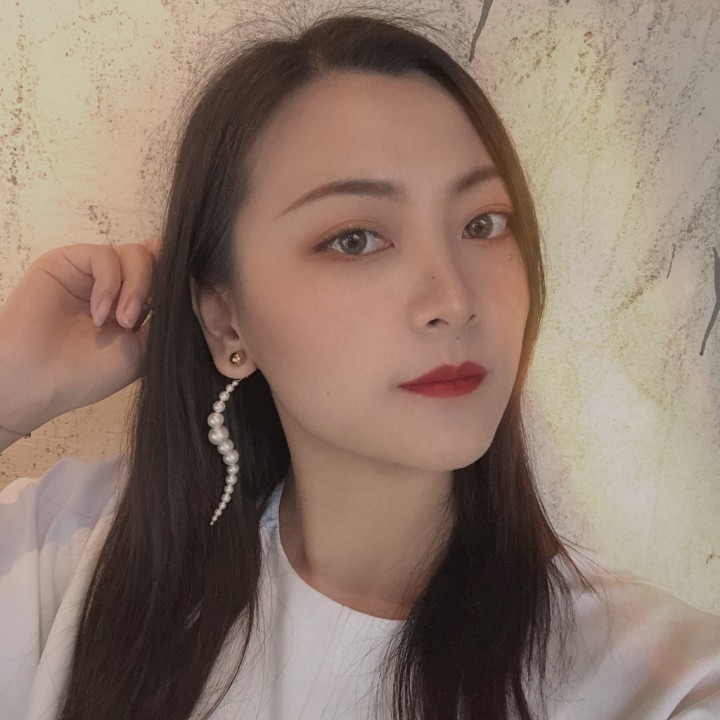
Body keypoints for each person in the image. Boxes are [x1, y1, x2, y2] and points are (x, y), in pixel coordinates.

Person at [0, 12, 718, 720]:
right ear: (225, 319)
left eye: (483, 224)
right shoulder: (66, 549)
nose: (454, 302)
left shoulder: (664, 683)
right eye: (355, 239)